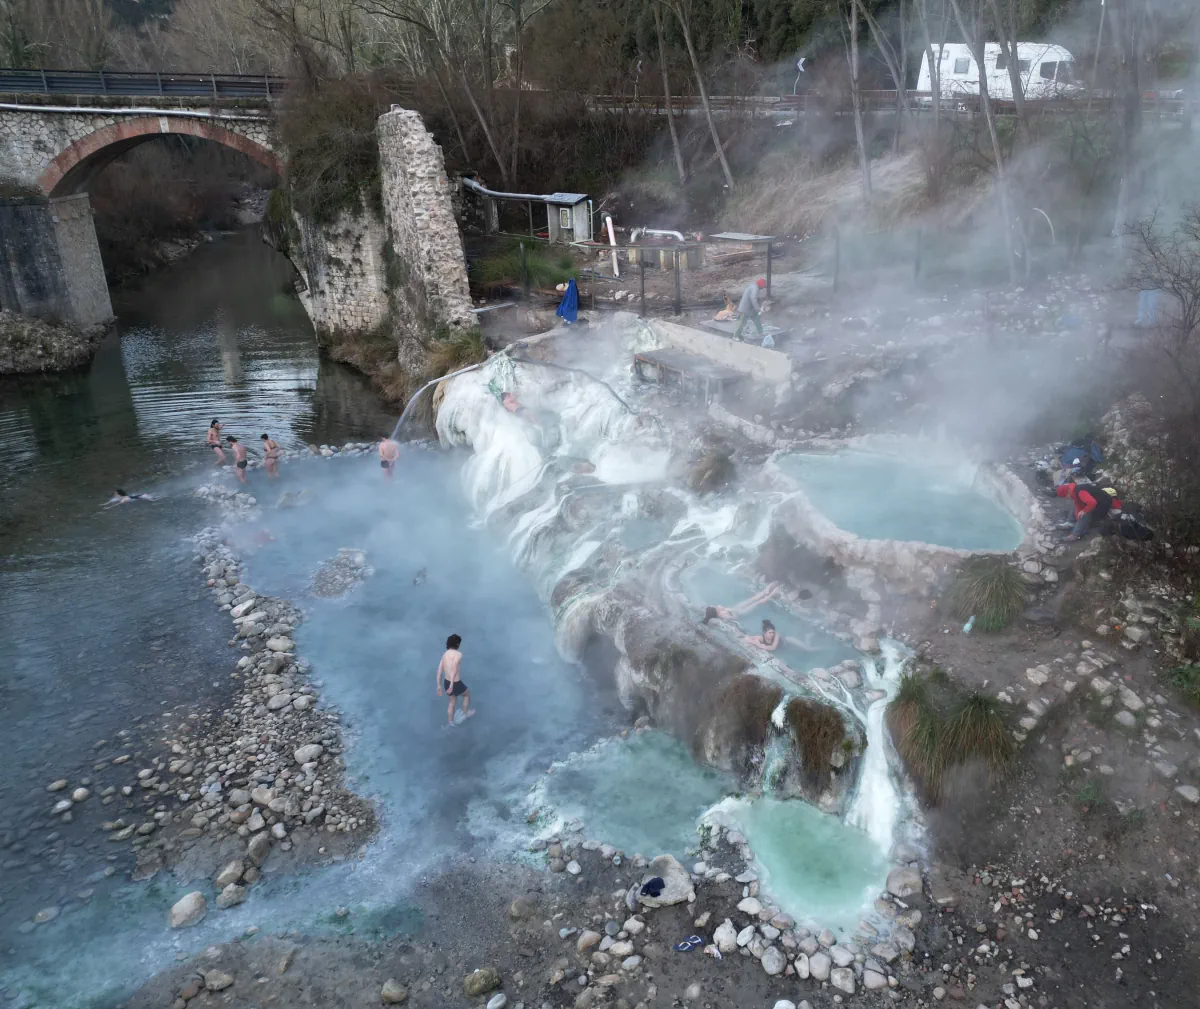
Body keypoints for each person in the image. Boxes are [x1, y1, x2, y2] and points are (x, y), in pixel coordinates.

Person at [1057, 481, 1121, 541]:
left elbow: (1092, 503)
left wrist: (1084, 511)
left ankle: (1075, 534)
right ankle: (1070, 523)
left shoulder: (1080, 492)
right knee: (1077, 507)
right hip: (1097, 502)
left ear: (1068, 492)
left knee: (1085, 513)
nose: (1066, 498)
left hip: (1103, 505)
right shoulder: (1074, 491)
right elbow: (1078, 504)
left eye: (1065, 496)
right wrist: (1078, 518)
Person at [436, 633, 474, 726]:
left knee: (452, 702)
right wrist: (452, 685)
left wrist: (439, 685)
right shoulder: (458, 654)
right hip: (455, 683)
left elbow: (439, 671)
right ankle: (466, 713)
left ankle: (450, 722)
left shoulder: (445, 655)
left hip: (446, 682)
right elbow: (454, 667)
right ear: (457, 644)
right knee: (467, 694)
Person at [701, 582, 781, 623]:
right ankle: (771, 595)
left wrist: (727, 609)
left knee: (751, 599)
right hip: (741, 613)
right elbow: (736, 618)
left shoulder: (718, 611)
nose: (713, 605)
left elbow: (707, 614)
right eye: (713, 607)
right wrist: (729, 611)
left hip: (736, 608)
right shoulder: (723, 616)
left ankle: (764, 592)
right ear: (715, 611)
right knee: (757, 603)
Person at [734, 278, 767, 344]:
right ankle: (735, 336)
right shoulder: (755, 288)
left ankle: (760, 333)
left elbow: (754, 298)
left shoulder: (753, 286)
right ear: (761, 285)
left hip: (749, 308)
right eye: (762, 287)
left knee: (757, 319)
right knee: (742, 322)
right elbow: (753, 299)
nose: (762, 289)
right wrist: (758, 308)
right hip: (745, 308)